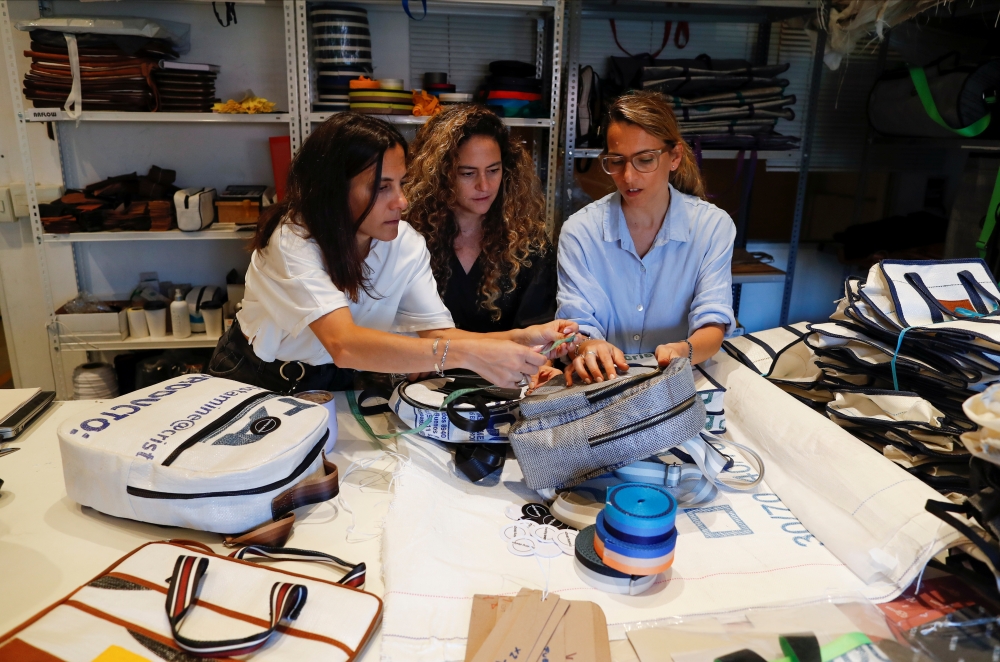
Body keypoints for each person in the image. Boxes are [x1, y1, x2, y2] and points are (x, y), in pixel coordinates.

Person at [207, 113, 577, 393]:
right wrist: (471, 356)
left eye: (400, 183)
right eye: (381, 187)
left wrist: (519, 338)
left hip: (337, 382)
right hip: (256, 379)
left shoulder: (405, 243)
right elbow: (344, 344)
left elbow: (441, 333)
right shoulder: (292, 240)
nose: (401, 201)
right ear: (333, 190)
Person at [556, 90, 736, 385]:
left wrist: (684, 350)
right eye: (617, 161)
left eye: (645, 159)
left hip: (682, 382)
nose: (628, 176)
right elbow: (575, 324)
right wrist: (587, 345)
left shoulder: (712, 227)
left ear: (674, 157)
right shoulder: (580, 232)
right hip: (603, 384)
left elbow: (713, 320)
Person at [404, 105, 555, 334]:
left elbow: (537, 336)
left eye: (493, 170)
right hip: (423, 368)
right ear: (440, 175)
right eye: (468, 173)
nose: (484, 186)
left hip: (510, 369)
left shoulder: (530, 245)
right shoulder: (408, 238)